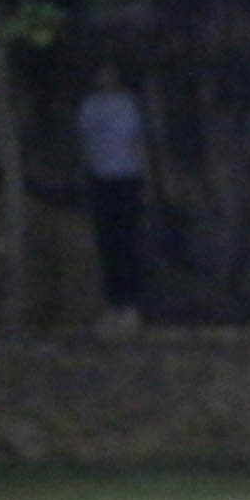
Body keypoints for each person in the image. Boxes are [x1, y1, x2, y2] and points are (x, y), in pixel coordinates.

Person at [76, 61, 148, 332]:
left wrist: (144, 177)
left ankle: (130, 306)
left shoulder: (128, 104)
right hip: (101, 179)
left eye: (110, 72)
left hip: (127, 178)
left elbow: (138, 141)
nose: (106, 77)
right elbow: (85, 143)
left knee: (127, 240)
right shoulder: (89, 106)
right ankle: (112, 304)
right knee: (107, 243)